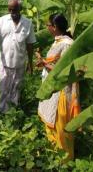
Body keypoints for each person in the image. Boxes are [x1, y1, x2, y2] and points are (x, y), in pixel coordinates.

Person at [36, 14, 80, 160]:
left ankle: (65, 161)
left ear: (55, 27)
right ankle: (55, 159)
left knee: (60, 126)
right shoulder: (58, 41)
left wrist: (44, 64)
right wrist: (43, 62)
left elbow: (64, 70)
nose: (47, 27)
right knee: (52, 125)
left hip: (61, 90)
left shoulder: (67, 44)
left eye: (48, 25)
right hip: (52, 88)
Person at [0, 0, 36, 113]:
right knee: (4, 88)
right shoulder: (2, 21)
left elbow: (30, 45)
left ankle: (13, 111)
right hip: (5, 63)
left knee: (16, 88)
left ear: (20, 9)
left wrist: (30, 62)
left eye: (14, 10)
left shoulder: (27, 23)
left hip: (19, 62)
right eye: (9, 10)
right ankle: (4, 112)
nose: (11, 13)